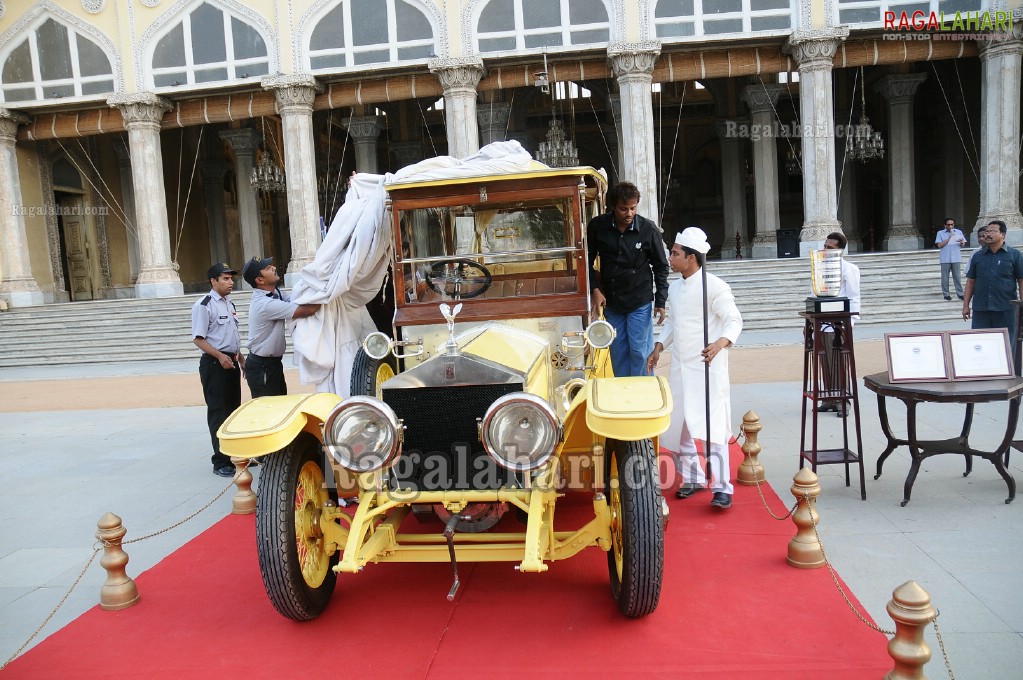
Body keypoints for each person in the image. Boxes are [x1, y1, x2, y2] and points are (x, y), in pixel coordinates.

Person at [646, 227, 742, 510]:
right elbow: (674, 324)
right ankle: (693, 478)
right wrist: (659, 346)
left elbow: (733, 320)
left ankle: (723, 488)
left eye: (675, 253)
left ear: (691, 258)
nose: (670, 257)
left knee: (713, 427)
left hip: (707, 367)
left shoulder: (715, 286)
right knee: (680, 426)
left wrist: (720, 343)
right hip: (680, 367)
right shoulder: (675, 289)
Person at [587, 181, 670, 377]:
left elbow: (661, 266)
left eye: (633, 208)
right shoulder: (598, 227)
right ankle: (624, 395)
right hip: (612, 300)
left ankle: (644, 395)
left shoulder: (648, 229)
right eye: (624, 209)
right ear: (613, 207)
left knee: (640, 352)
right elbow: (585, 263)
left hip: (639, 300)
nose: (629, 213)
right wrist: (595, 289)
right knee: (619, 352)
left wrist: (660, 301)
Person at [191, 262, 244, 477]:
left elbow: (231, 336)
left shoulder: (229, 304)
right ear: (213, 281)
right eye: (225, 278)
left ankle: (234, 455)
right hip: (215, 365)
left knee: (233, 411)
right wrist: (220, 356)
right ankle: (220, 461)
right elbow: (198, 339)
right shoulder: (204, 305)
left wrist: (240, 358)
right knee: (218, 412)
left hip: (230, 362)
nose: (230, 282)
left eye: (231, 278)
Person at [242, 256, 321, 398]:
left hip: (272, 364)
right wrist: (327, 293)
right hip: (262, 366)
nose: (273, 267)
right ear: (259, 280)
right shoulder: (265, 304)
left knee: (279, 405)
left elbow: (296, 300)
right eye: (267, 268)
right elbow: (307, 310)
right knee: (269, 410)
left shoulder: (275, 293)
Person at [818, 232, 861, 417]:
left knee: (839, 362)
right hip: (820, 322)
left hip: (839, 323)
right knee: (824, 361)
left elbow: (853, 297)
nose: (825, 250)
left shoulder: (849, 269)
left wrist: (849, 323)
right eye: (825, 246)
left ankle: (843, 401)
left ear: (840, 250)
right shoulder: (819, 266)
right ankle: (828, 398)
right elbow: (814, 292)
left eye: (830, 248)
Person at [963, 220, 1023, 351]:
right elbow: (971, 281)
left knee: (1006, 345)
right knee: (980, 344)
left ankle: (1007, 371)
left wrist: (1022, 305)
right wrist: (966, 305)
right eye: (987, 231)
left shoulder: (1014, 255)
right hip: (981, 309)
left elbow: (1021, 280)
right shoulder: (978, 256)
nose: (988, 234)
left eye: (993, 231)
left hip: (1006, 308)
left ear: (1003, 234)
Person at [935, 218, 967, 300]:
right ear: (945, 225)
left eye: (952, 224)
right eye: (948, 224)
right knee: (945, 278)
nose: (950, 226)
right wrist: (950, 238)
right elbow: (940, 245)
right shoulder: (940, 233)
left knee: (957, 277)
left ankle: (960, 293)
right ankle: (946, 294)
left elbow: (963, 245)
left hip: (956, 258)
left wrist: (961, 242)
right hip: (945, 258)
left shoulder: (958, 232)